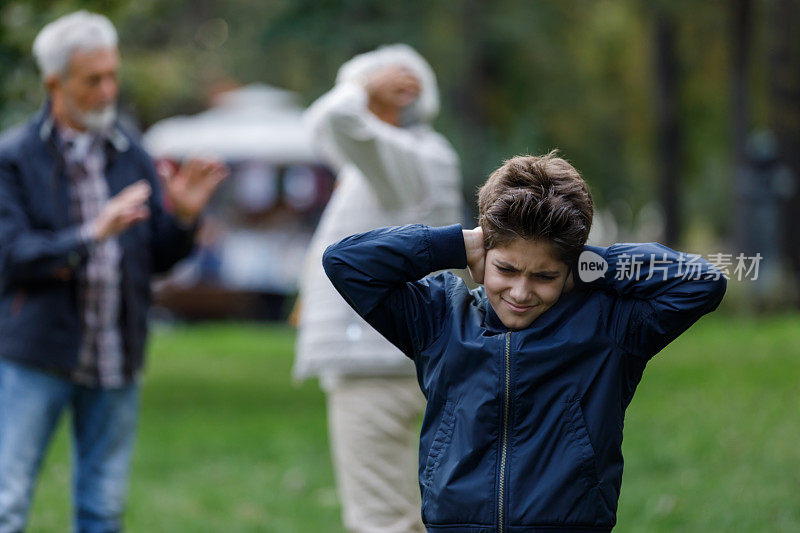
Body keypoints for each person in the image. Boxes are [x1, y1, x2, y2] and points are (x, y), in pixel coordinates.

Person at [322, 152, 727, 532]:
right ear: (485, 253)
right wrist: (457, 245)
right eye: (506, 268)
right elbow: (345, 263)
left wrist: (592, 264)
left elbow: (702, 282)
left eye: (544, 276)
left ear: (569, 271)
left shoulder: (610, 327)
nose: (520, 291)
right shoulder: (440, 317)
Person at [0, 11, 226, 532]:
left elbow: (156, 257)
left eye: (112, 75)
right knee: (8, 503)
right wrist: (91, 234)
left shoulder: (130, 152)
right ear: (54, 83)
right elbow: (13, 256)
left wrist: (186, 218)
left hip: (116, 354)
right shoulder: (15, 157)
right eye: (92, 79)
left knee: (103, 510)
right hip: (33, 357)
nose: (107, 90)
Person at [293, 44, 462, 532]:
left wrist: (361, 91)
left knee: (382, 521)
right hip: (388, 358)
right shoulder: (401, 159)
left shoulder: (402, 159)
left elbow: (334, 119)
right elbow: (323, 128)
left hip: (374, 365)